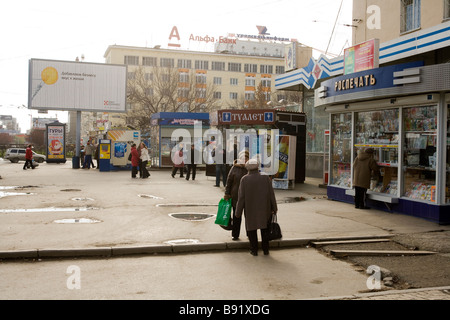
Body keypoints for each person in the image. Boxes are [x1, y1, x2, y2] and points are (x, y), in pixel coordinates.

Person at [235, 158, 278, 256]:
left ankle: (254, 250)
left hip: (250, 210)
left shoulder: (244, 179)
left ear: (247, 168)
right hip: (265, 209)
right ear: (257, 166)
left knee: (251, 230)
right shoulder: (265, 178)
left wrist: (238, 212)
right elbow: (271, 194)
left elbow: (241, 198)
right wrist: (274, 208)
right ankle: (265, 250)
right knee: (265, 230)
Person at [224, 150, 249, 240]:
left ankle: (249, 234)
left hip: (248, 197)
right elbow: (229, 181)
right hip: (235, 196)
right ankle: (235, 234)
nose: (244, 160)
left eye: (246, 158)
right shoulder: (234, 168)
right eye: (242, 158)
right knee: (236, 216)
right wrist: (227, 193)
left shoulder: (250, 168)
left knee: (248, 217)